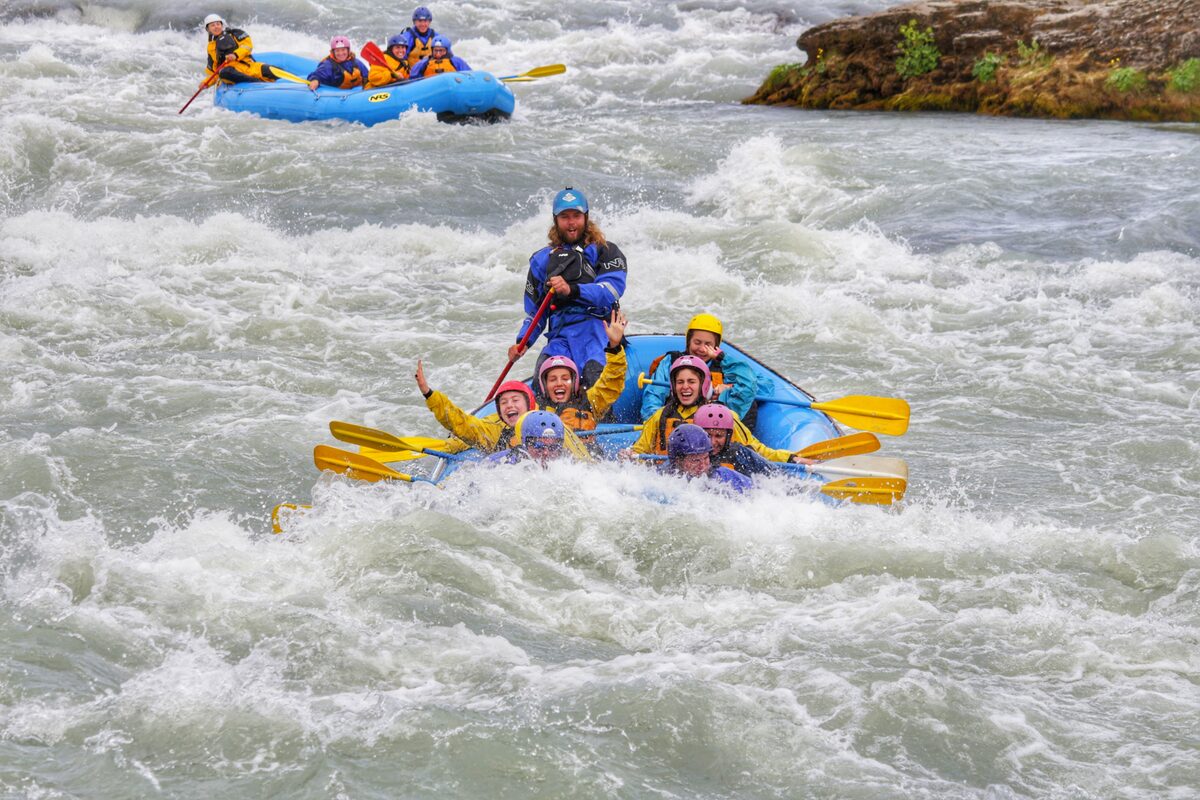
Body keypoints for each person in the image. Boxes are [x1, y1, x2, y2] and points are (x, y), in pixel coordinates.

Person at [508, 187, 628, 389]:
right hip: (561, 335)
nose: (571, 222)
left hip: (598, 331)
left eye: (576, 216)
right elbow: (536, 312)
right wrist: (523, 342)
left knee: (594, 379)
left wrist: (572, 290)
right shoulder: (541, 260)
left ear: (586, 217)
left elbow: (612, 289)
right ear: (556, 220)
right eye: (565, 217)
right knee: (543, 380)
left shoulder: (605, 251)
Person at [624, 356, 811, 464]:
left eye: (691, 382)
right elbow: (640, 450)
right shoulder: (660, 416)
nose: (685, 387)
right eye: (680, 382)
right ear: (673, 386)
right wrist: (631, 456)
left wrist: (791, 458)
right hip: (667, 478)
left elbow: (758, 450)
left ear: (703, 384)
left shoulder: (720, 416)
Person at [415, 360, 591, 459]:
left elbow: (580, 458)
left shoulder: (548, 423)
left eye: (515, 400)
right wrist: (429, 394)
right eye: (504, 403)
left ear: (529, 404)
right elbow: (462, 423)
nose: (510, 406)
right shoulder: (494, 428)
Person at [639, 313, 759, 424]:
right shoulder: (671, 362)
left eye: (708, 345)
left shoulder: (726, 368)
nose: (702, 349)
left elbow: (750, 386)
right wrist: (655, 424)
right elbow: (653, 396)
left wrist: (729, 387)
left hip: (709, 427)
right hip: (674, 423)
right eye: (697, 342)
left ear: (716, 346)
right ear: (689, 341)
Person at [535, 310, 628, 433]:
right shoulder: (536, 410)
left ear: (574, 383)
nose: (559, 383)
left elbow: (612, 382)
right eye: (552, 379)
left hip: (588, 450)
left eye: (565, 378)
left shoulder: (590, 402)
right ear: (544, 386)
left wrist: (614, 346)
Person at [662, 424, 752, 493]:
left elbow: (758, 493)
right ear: (678, 461)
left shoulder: (724, 476)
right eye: (695, 460)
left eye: (705, 458)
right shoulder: (662, 481)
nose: (702, 466)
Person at [693, 404, 775, 476]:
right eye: (707, 435)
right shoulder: (688, 455)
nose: (712, 442)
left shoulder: (739, 453)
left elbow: (773, 475)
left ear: (728, 436)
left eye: (719, 436)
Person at [200, 14, 278, 85]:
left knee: (277, 72)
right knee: (224, 72)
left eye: (218, 24)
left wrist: (235, 55)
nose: (216, 27)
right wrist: (206, 83)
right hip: (232, 72)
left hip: (249, 67)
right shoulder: (210, 48)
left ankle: (262, 81)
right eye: (212, 25)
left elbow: (247, 46)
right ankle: (258, 83)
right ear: (208, 29)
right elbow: (214, 72)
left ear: (221, 25)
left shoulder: (234, 34)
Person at [486, 411, 567, 468]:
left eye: (553, 448)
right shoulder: (505, 463)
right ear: (525, 444)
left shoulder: (566, 466)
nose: (546, 453)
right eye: (538, 446)